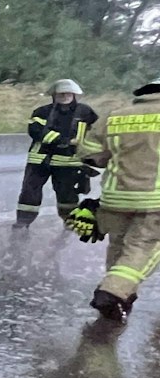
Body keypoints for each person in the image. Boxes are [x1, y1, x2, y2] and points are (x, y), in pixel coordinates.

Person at [70, 76, 160, 322]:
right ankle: (112, 292)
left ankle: (122, 297)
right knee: (144, 248)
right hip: (155, 201)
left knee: (119, 249)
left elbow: (90, 155)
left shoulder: (116, 115)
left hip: (115, 199)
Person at [15, 79, 100, 227]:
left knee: (67, 196)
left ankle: (69, 222)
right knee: (30, 193)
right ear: (54, 95)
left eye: (68, 93)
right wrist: (64, 140)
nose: (65, 96)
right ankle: (23, 222)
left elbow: (97, 132)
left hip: (68, 162)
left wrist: (91, 153)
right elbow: (36, 131)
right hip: (40, 160)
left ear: (74, 94)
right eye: (61, 93)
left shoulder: (85, 112)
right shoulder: (42, 112)